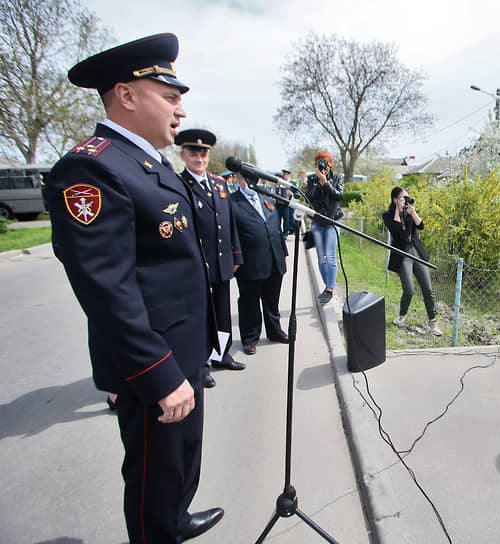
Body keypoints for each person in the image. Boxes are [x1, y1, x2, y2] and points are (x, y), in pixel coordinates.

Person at [43, 34, 224, 542]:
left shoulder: (146, 160)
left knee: (181, 459)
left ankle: (176, 520)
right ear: (125, 95)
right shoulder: (92, 167)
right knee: (154, 475)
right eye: (169, 97)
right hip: (153, 359)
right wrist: (158, 373)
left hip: (183, 347)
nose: (181, 110)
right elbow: (107, 290)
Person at [175, 129, 245, 387]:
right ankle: (201, 364)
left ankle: (221, 355)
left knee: (223, 313)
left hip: (221, 261)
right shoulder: (178, 185)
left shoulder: (219, 184)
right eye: (193, 153)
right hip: (197, 265)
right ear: (183, 156)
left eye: (203, 154)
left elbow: (229, 223)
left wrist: (236, 254)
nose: (199, 158)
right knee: (201, 318)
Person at [230, 172, 290, 355]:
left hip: (274, 258)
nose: (250, 183)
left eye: (253, 179)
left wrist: (283, 252)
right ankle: (250, 337)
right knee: (249, 301)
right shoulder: (232, 202)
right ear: (238, 179)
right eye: (246, 179)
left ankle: (274, 331)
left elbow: (276, 227)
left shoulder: (267, 198)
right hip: (250, 261)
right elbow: (231, 233)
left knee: (272, 300)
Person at [382, 186, 442, 336]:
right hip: (402, 254)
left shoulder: (409, 212)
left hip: (417, 252)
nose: (405, 200)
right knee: (409, 290)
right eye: (402, 198)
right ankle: (402, 315)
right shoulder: (388, 215)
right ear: (395, 199)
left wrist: (413, 212)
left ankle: (433, 321)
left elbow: (421, 226)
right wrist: (398, 210)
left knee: (427, 289)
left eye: (407, 197)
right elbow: (397, 232)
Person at [305, 151, 344, 305]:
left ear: (330, 165)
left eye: (325, 164)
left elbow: (339, 195)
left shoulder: (338, 178)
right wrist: (319, 182)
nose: (322, 167)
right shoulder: (312, 179)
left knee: (330, 255)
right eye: (318, 164)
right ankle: (327, 286)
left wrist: (326, 183)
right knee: (321, 256)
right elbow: (309, 197)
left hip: (333, 221)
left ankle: (330, 289)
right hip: (317, 222)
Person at [280, 168, 297, 236]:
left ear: (289, 175)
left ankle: (292, 229)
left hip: (291, 202)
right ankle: (286, 231)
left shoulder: (293, 183)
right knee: (286, 218)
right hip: (283, 203)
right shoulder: (281, 182)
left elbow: (296, 193)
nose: (285, 176)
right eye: (284, 175)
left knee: (291, 217)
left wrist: (291, 193)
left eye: (286, 175)